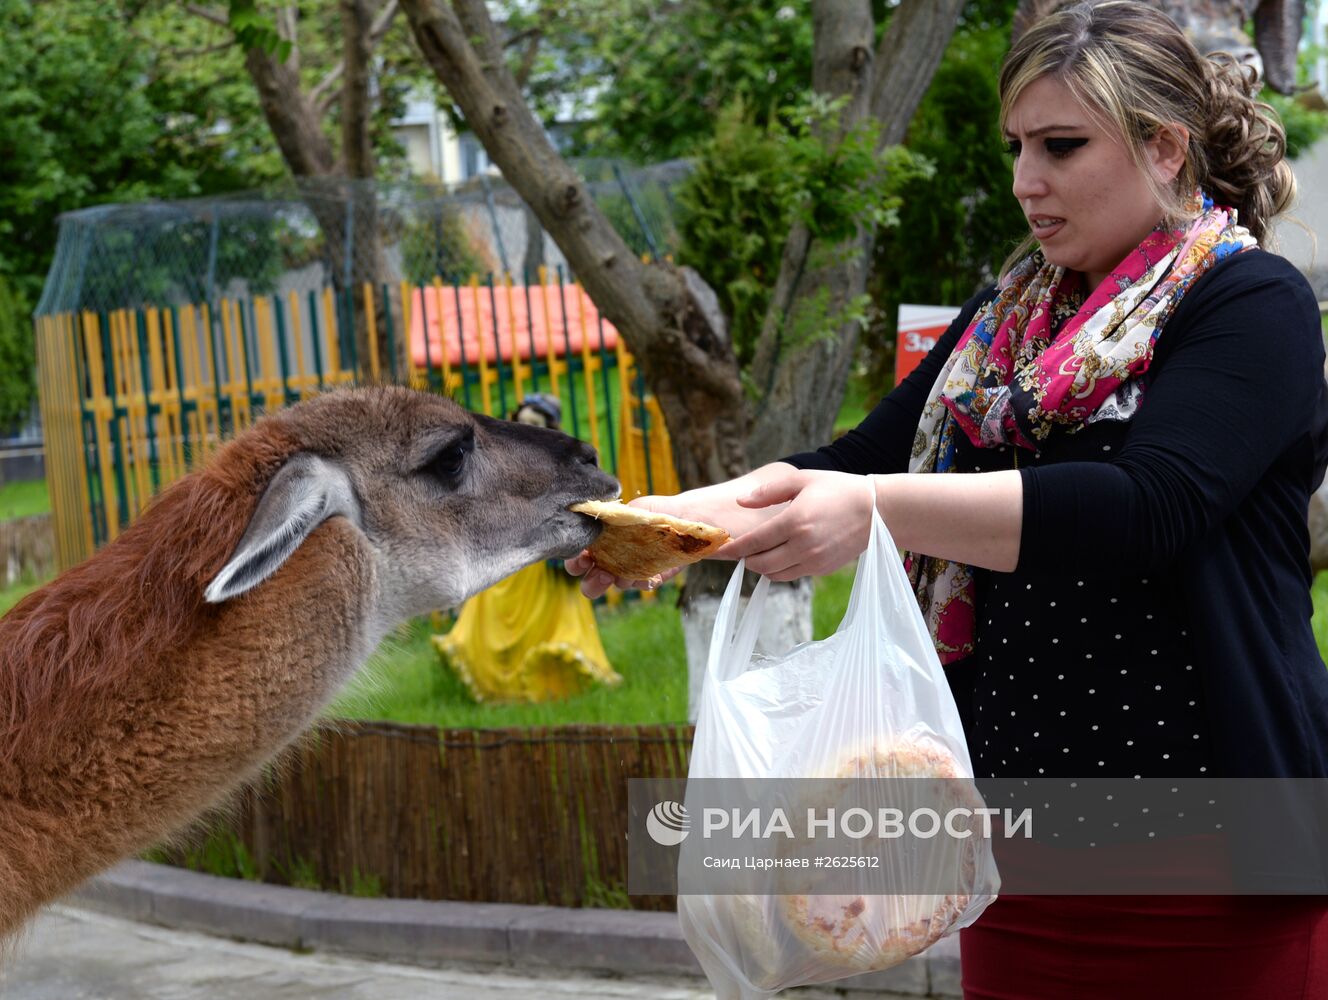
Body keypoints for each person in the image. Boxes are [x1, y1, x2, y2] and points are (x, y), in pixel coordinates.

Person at [568, 2, 1328, 996]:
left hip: (1208, 857)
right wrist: (662, 523)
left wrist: (876, 508)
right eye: (1016, 146)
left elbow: (1145, 506)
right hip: (1008, 846)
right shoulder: (1003, 323)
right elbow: (847, 460)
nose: (1024, 182)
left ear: (1163, 145)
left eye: (1060, 146)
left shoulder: (1246, 302)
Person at [435, 393, 621, 702]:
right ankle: (498, 683)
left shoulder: (556, 462)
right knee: (495, 614)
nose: (526, 426)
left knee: (546, 621)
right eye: (523, 420)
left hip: (543, 560)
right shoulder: (504, 458)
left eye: (535, 423)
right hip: (512, 552)